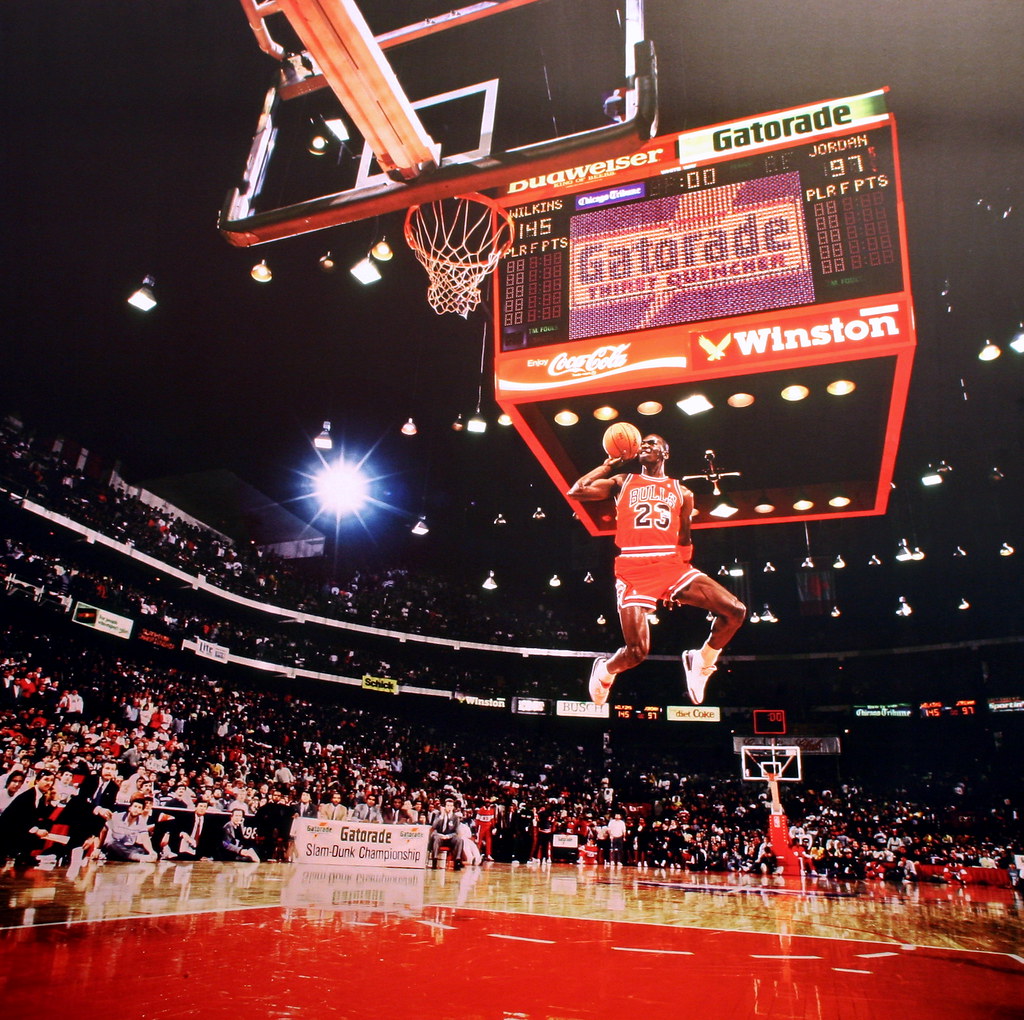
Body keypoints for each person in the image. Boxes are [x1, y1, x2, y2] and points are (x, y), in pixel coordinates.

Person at [567, 433, 745, 705]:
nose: (646, 446)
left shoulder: (682, 491)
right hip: (633, 567)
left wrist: (680, 581)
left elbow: (684, 537)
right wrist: (609, 464)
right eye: (643, 443)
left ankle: (702, 660)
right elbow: (577, 491)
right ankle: (605, 669)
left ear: (665, 453)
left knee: (735, 611)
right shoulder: (622, 481)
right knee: (636, 653)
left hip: (671, 564)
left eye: (653, 443)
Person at [428, 797, 464, 870]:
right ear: (444, 807)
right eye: (448, 806)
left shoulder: (455, 818)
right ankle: (434, 861)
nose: (449, 808)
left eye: (451, 806)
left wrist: (448, 836)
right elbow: (433, 827)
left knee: (460, 840)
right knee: (436, 838)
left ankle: (457, 861)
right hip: (439, 837)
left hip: (450, 838)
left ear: (453, 807)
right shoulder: (437, 814)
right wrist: (441, 816)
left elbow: (456, 832)